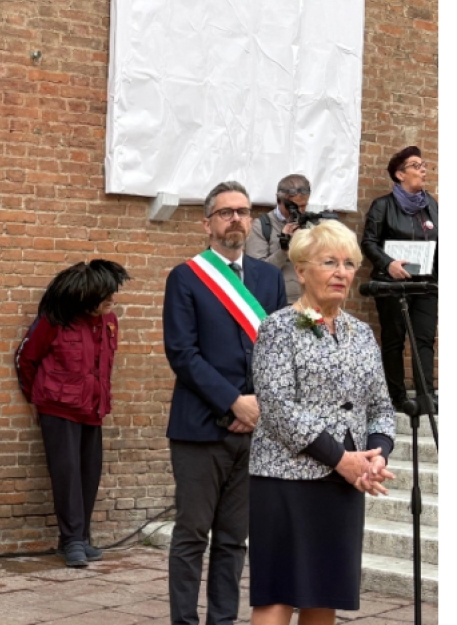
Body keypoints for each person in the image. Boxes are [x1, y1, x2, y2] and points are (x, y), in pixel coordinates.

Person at [249, 220, 396, 624]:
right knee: (277, 595)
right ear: (300, 270)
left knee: (322, 595)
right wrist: (341, 459)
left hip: (342, 483)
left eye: (349, 263)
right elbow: (278, 408)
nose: (341, 272)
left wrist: (377, 454)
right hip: (286, 478)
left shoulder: (362, 334)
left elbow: (381, 407)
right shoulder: (279, 328)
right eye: (329, 262)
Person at [163, 181, 287, 625]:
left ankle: (222, 620)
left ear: (251, 221)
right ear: (208, 223)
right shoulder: (185, 278)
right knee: (192, 534)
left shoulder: (269, 278)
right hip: (200, 428)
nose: (235, 218)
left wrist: (257, 409)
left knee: (234, 539)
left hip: (254, 432)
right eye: (225, 212)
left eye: (242, 211)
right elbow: (183, 353)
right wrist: (233, 403)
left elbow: (278, 352)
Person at [17, 260, 130, 568]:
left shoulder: (109, 322)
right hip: (59, 409)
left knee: (88, 475)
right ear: (88, 296)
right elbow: (26, 359)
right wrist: (37, 399)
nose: (112, 301)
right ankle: (72, 542)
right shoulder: (55, 321)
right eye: (106, 296)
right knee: (67, 476)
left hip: (93, 410)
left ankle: (81, 535)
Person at [360, 146, 438, 411]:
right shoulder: (383, 205)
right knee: (394, 340)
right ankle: (396, 397)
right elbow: (369, 243)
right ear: (400, 174)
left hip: (426, 285)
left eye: (424, 165)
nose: (423, 170)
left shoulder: (432, 206)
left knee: (424, 339)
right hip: (393, 286)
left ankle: (426, 396)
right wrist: (388, 263)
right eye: (416, 165)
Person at [246, 174, 312, 305]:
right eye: (293, 207)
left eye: (303, 206)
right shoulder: (262, 225)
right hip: (274, 302)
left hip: (307, 302)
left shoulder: (311, 223)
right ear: (278, 200)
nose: (299, 211)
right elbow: (255, 272)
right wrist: (283, 250)